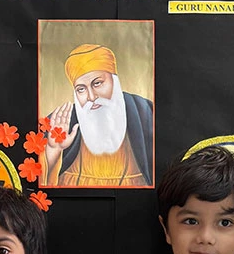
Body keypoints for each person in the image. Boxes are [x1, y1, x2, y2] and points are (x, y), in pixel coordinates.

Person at [39, 43, 154, 187]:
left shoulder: (146, 113)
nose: (91, 97)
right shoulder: (59, 124)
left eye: (98, 83)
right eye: (81, 89)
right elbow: (42, 184)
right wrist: (54, 151)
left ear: (114, 81)